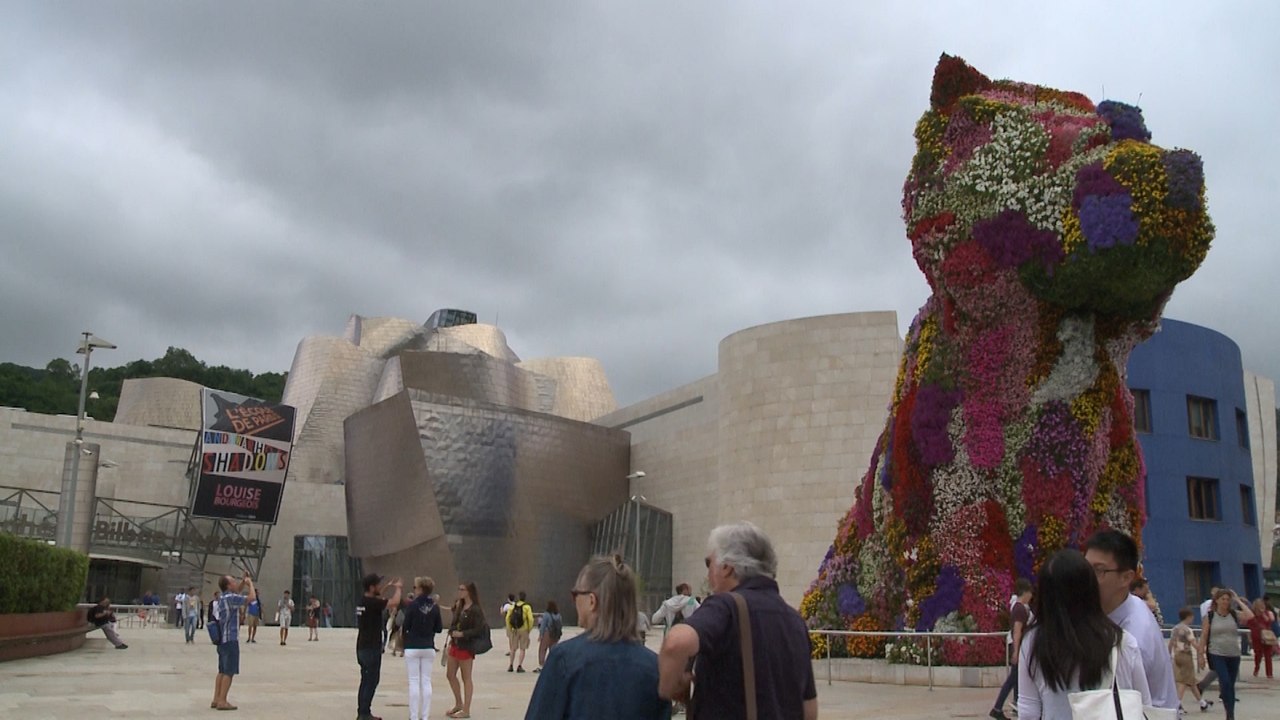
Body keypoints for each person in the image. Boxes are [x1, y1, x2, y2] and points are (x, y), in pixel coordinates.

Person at [659, 521, 818, 719]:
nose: (708, 571)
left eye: (709, 563)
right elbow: (809, 709)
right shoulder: (795, 621)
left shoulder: (724, 607)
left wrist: (671, 686)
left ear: (726, 567)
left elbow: (675, 643)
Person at [525, 555, 671, 720]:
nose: (574, 602)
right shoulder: (656, 668)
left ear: (592, 601)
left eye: (575, 595)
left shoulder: (564, 660)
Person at [1016, 549, 1151, 719]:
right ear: (1090, 589)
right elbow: (1144, 706)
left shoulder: (1033, 643)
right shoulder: (1121, 641)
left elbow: (1028, 712)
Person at [1083, 530, 1179, 711]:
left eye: (1098, 570)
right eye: (1085, 568)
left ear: (1126, 577)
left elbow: (1120, 709)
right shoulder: (1124, 605)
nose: (1086, 578)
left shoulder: (1133, 639)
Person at [1197, 588, 1254, 720]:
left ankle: (1230, 714)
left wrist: (1238, 600)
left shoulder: (1233, 614)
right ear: (1216, 600)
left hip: (1233, 654)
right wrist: (1200, 655)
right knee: (1225, 681)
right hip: (1217, 653)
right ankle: (1229, 711)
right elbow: (1204, 636)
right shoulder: (1210, 616)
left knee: (1230, 686)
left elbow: (1250, 616)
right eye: (1223, 599)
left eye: (1228, 599)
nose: (1225, 602)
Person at [356, 573, 403, 720]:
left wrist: (386, 587)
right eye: (377, 585)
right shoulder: (373, 603)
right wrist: (398, 588)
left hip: (362, 646)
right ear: (371, 587)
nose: (379, 587)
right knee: (371, 680)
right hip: (371, 647)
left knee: (365, 680)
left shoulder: (363, 601)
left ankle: (362, 711)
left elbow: (377, 599)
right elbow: (394, 602)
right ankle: (364, 713)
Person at [211, 572, 256, 712]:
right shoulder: (231, 598)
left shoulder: (223, 597)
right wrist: (250, 584)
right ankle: (223, 701)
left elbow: (237, 591)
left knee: (221, 670)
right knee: (229, 671)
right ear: (228, 585)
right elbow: (251, 598)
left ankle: (216, 698)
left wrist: (243, 581)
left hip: (221, 639)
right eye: (233, 581)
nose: (236, 583)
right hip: (231, 638)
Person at [989, 578, 1032, 720]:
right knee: (1013, 679)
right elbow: (1017, 631)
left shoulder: (1019, 607)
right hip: (1018, 647)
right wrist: (1016, 651)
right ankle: (997, 708)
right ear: (1025, 593)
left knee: (1016, 679)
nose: (1031, 596)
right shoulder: (1019, 609)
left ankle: (1015, 705)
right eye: (1029, 593)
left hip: (1017, 647)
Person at [401, 577, 444, 720]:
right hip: (428, 646)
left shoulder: (412, 606)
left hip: (413, 646)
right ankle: (425, 716)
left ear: (420, 589)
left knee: (413, 681)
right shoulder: (435, 607)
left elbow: (406, 625)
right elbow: (438, 628)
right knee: (426, 681)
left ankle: (413, 716)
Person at [445, 581, 486, 719]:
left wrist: (463, 634)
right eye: (459, 589)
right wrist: (453, 633)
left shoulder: (475, 609)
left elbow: (479, 629)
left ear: (469, 592)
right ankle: (458, 703)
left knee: (466, 677)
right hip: (455, 644)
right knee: (450, 674)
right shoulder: (460, 606)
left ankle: (466, 709)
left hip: (466, 646)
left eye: (462, 589)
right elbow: (452, 624)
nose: (460, 591)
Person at [1168, 607, 1206, 711]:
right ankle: (1178, 703)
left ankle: (1202, 703)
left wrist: (1169, 653)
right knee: (1183, 681)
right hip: (1186, 655)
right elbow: (1193, 643)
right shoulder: (1187, 630)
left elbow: (1171, 643)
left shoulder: (1175, 628)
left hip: (1177, 655)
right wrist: (1201, 650)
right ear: (1189, 617)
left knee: (1191, 680)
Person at [507, 590, 534, 672]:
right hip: (524, 629)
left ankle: (511, 665)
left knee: (513, 648)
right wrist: (529, 628)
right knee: (522, 648)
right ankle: (519, 665)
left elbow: (508, 618)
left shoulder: (513, 606)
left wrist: (510, 628)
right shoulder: (527, 607)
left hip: (515, 629)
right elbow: (530, 619)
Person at [534, 600, 563, 673]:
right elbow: (560, 625)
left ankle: (542, 665)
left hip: (547, 633)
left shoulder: (547, 614)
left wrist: (541, 635)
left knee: (542, 649)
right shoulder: (558, 615)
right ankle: (553, 665)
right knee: (553, 650)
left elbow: (543, 625)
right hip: (555, 634)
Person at [1248, 598, 1275, 678]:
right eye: (1259, 605)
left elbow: (1270, 621)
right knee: (1258, 655)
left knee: (1268, 656)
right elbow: (1250, 624)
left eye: (1262, 605)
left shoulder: (1267, 613)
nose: (1262, 607)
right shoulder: (1252, 615)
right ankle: (1256, 668)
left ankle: (1269, 674)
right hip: (1257, 637)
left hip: (1267, 637)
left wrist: (1264, 614)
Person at [501, 593, 516, 658]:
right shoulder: (516, 604)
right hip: (516, 623)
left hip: (509, 623)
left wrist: (501, 609)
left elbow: (502, 613)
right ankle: (513, 649)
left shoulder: (507, 605)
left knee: (510, 637)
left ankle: (511, 650)